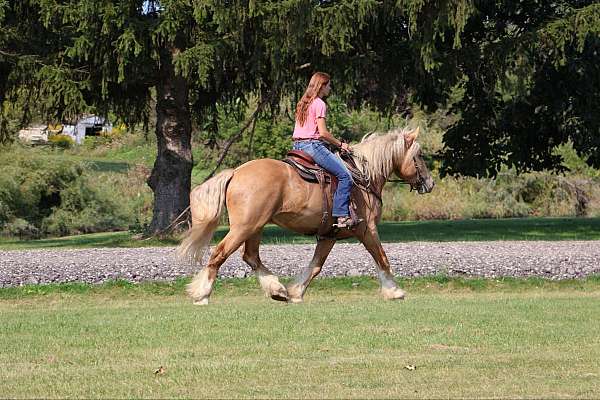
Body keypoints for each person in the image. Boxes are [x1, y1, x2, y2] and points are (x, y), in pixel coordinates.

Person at [292, 72, 355, 229]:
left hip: (297, 147)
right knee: (345, 176)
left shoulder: (303, 103)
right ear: (322, 86)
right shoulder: (319, 103)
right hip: (312, 147)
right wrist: (341, 145)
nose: (330, 88)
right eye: (328, 85)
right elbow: (323, 133)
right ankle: (341, 215)